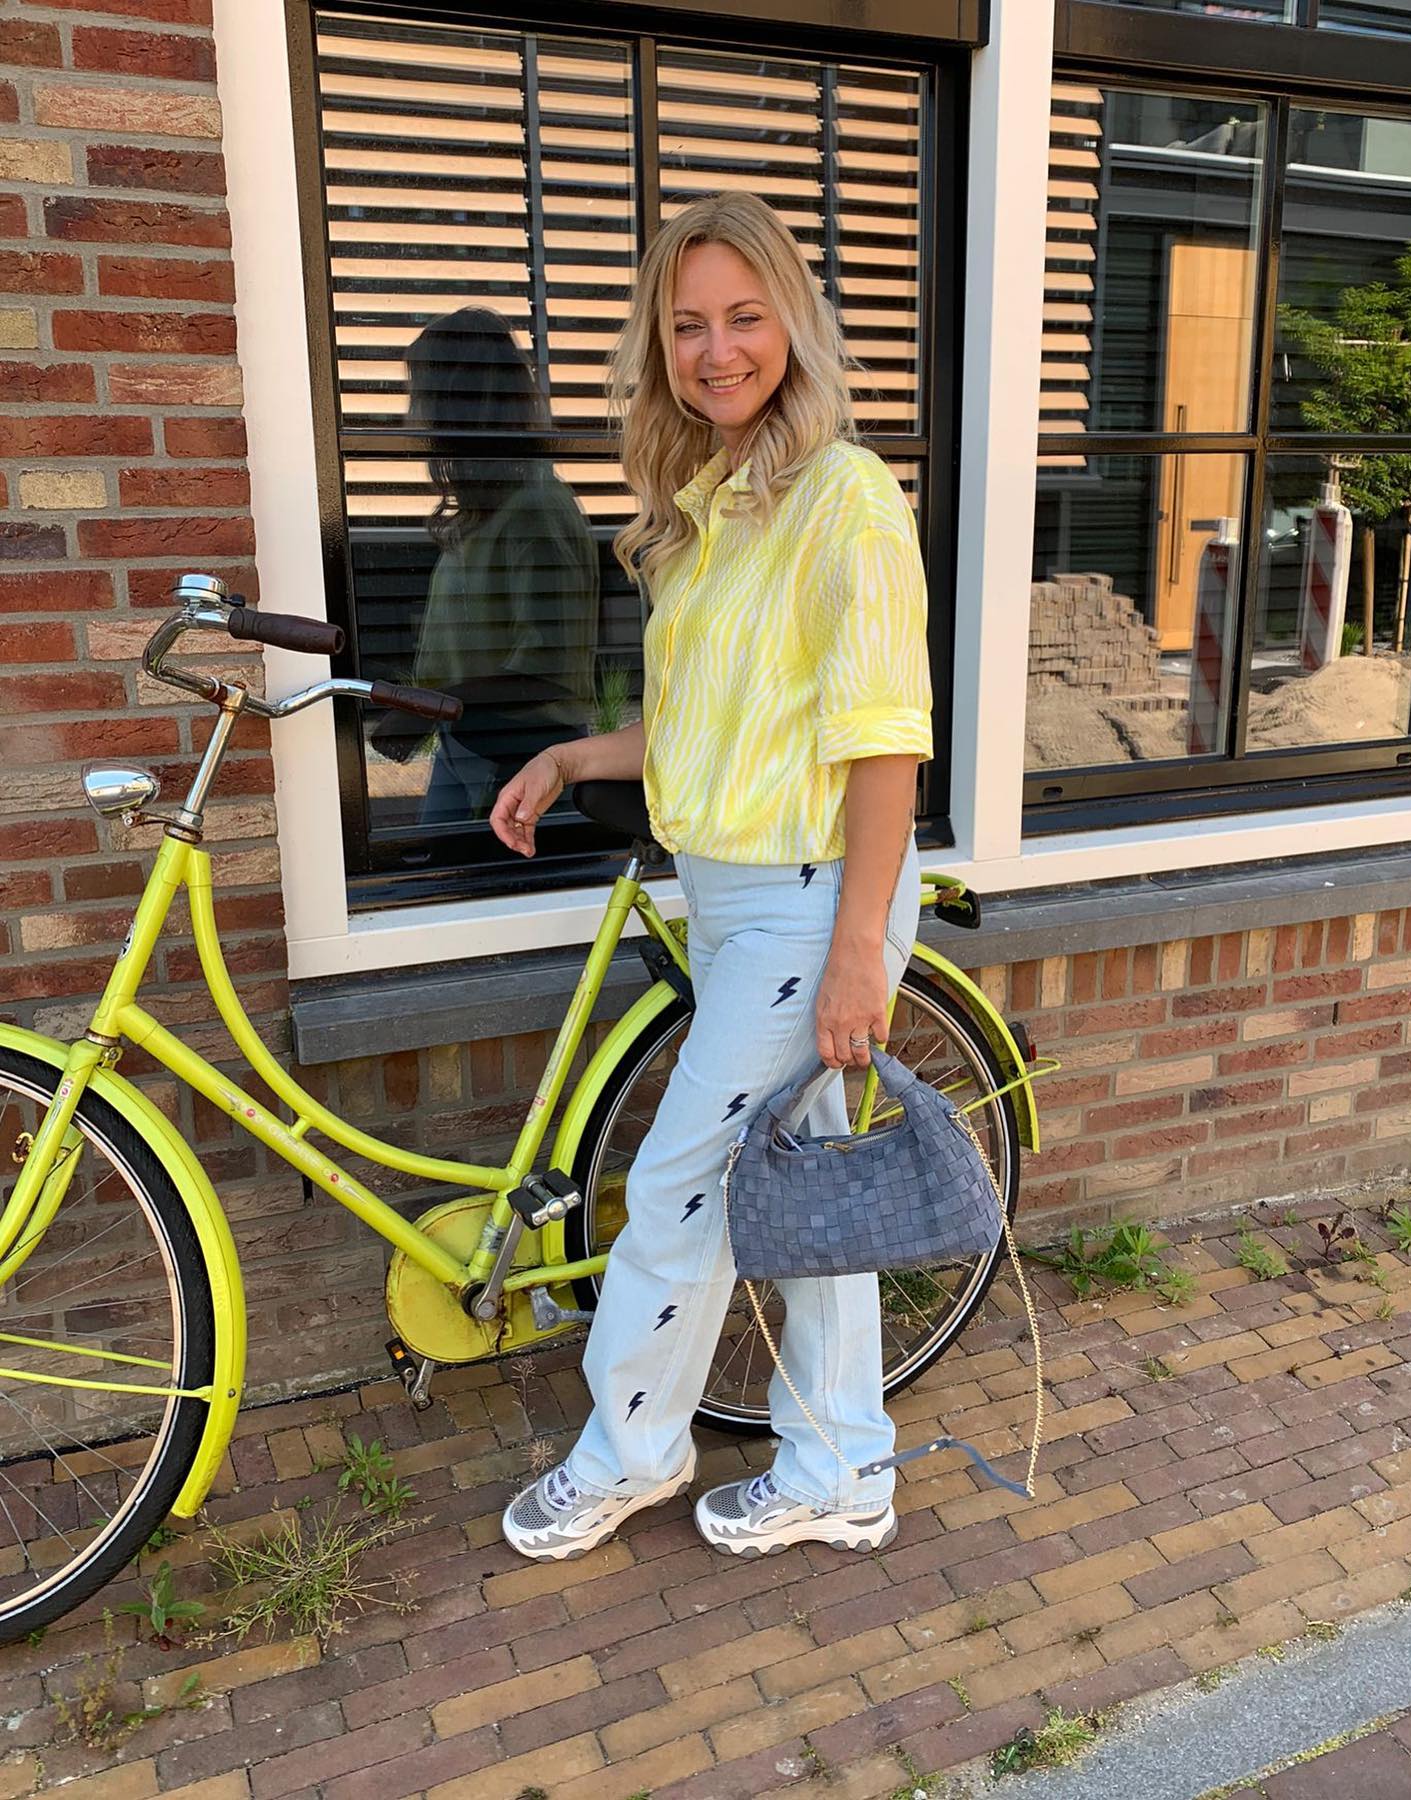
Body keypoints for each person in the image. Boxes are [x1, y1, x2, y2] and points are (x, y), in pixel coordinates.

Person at [489, 192, 933, 1560]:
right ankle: (844, 1467)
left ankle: (630, 1451)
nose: (716, 349)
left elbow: (883, 744)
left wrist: (857, 950)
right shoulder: (712, 509)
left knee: (678, 1185)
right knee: (798, 1189)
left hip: (812, 901)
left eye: (744, 317)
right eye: (687, 326)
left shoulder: (845, 499)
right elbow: (708, 729)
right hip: (737, 897)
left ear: (793, 326)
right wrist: (574, 755)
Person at [371, 305, 599, 823]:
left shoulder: (536, 510)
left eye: (423, 396)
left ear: (460, 404)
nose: (413, 418)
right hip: (468, 746)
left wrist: (429, 706)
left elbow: (550, 673)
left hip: (525, 760)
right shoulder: (486, 510)